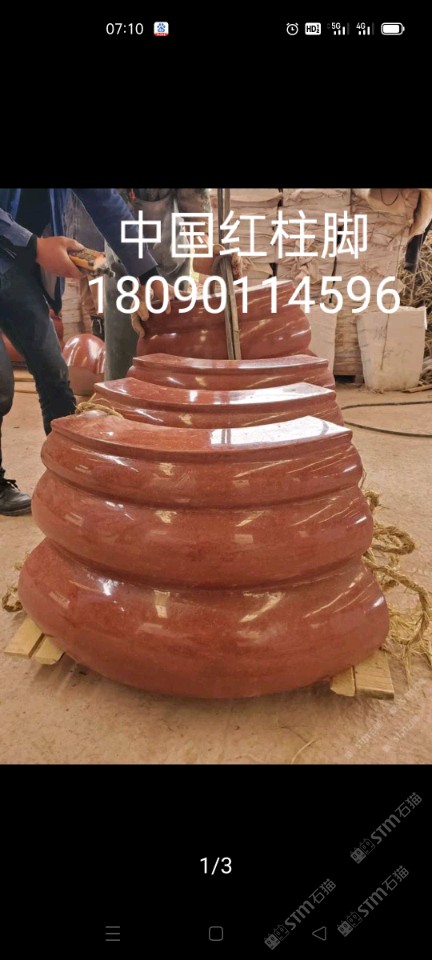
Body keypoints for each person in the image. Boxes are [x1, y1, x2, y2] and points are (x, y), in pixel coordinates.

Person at [0, 188, 172, 516]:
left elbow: (106, 203)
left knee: (53, 371)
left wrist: (149, 275)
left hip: (15, 265)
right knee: (1, 386)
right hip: (18, 249)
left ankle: (71, 474)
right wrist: (35, 246)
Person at [103, 188, 242, 379]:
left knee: (172, 357)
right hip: (124, 267)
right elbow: (111, 213)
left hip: (171, 259)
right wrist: (141, 278)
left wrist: (205, 249)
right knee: (127, 363)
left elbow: (193, 200)